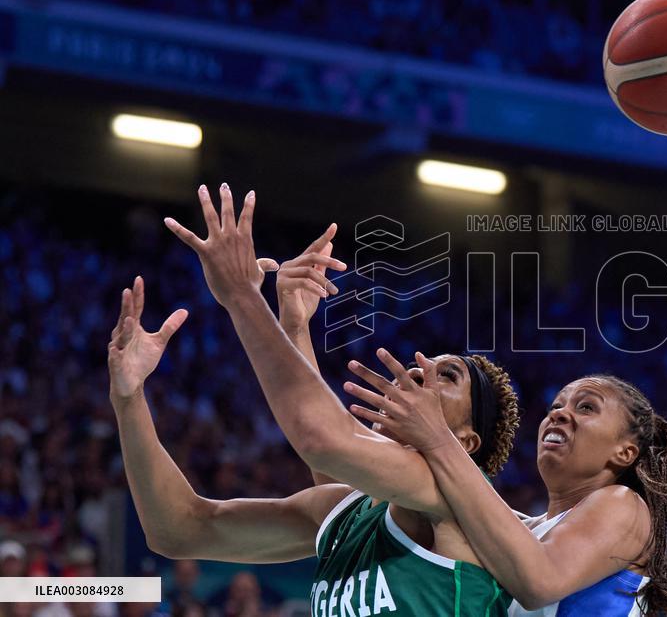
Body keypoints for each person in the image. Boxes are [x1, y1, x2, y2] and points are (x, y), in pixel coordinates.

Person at [110, 184, 519, 615]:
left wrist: (242, 295)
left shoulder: (455, 499)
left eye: (448, 376)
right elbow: (180, 530)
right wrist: (129, 396)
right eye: (421, 366)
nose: (419, 370)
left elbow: (321, 437)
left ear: (467, 441)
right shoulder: (343, 513)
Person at [348, 357, 667, 615]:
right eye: (556, 406)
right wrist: (298, 326)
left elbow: (540, 582)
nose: (560, 415)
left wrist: (439, 438)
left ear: (624, 452)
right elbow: (343, 502)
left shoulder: (623, 506)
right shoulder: (522, 530)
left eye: (586, 407)